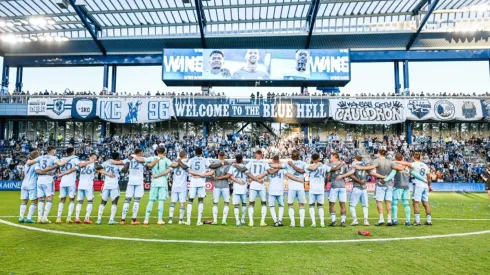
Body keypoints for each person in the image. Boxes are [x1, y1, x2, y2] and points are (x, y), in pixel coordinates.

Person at [356, 149, 404, 226]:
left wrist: (361, 168)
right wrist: (405, 164)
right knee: (388, 202)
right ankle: (389, 220)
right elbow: (400, 168)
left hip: (380, 183)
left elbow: (372, 167)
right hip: (389, 184)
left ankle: (381, 219)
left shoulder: (377, 160)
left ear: (379, 153)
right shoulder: (390, 161)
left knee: (379, 201)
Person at [120, 149, 158, 225]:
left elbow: (123, 167)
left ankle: (122, 220)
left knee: (127, 200)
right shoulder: (142, 159)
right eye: (142, 152)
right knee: (136, 200)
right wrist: (157, 159)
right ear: (140, 153)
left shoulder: (130, 159)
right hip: (139, 181)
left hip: (131, 181)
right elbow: (150, 165)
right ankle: (133, 220)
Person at [270, 150, 306, 227]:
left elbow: (276, 166)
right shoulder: (303, 163)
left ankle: (292, 223)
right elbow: (302, 171)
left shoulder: (288, 163)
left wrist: (269, 164)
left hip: (292, 187)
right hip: (300, 186)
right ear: (299, 156)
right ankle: (301, 223)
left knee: (290, 205)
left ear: (291, 156)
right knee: (301, 205)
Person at [307, 153, 344, 227]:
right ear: (318, 159)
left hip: (313, 188)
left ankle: (313, 222)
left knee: (311, 205)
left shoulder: (309, 166)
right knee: (320, 206)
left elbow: (308, 173)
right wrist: (342, 163)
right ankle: (322, 222)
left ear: (312, 159)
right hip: (321, 188)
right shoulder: (324, 166)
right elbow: (335, 169)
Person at [396, 152, 432, 226]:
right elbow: (429, 176)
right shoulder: (425, 165)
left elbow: (406, 163)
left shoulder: (414, 164)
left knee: (415, 203)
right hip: (425, 185)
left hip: (418, 185)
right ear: (420, 157)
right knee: (425, 203)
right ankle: (429, 221)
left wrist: (395, 161)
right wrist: (429, 185)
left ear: (413, 157)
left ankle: (418, 221)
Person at [19, 150, 53, 224]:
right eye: (39, 154)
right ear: (36, 156)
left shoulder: (26, 164)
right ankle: (29, 218)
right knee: (34, 201)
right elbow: (38, 171)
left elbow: (22, 175)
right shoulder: (36, 163)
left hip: (24, 184)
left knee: (24, 200)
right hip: (32, 184)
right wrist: (47, 172)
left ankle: (21, 217)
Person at [35, 146, 66, 224]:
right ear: (52, 151)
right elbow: (60, 164)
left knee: (41, 199)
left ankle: (39, 218)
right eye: (54, 151)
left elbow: (37, 171)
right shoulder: (53, 158)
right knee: (50, 198)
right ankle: (44, 217)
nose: (55, 153)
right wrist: (64, 160)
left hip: (39, 180)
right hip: (48, 179)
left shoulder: (40, 157)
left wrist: (45, 172)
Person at [142, 147, 172, 225]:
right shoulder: (166, 159)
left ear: (157, 151)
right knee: (161, 200)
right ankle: (159, 219)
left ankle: (146, 219)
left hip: (154, 181)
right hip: (162, 181)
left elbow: (144, 162)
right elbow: (170, 168)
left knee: (151, 200)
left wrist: (149, 165)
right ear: (164, 152)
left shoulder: (152, 158)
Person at [186, 147, 213, 226]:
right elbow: (211, 168)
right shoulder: (205, 160)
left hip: (193, 182)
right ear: (202, 152)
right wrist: (202, 174)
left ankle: (188, 221)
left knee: (190, 200)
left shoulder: (191, 160)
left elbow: (187, 169)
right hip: (201, 182)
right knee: (200, 201)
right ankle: (198, 221)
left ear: (194, 152)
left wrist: (195, 174)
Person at [95, 152, 123, 225]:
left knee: (103, 201)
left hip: (106, 185)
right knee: (114, 202)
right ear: (117, 157)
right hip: (114, 185)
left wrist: (102, 174)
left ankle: (99, 219)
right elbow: (124, 171)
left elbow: (98, 168)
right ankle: (111, 220)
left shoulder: (106, 162)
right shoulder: (118, 164)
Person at [56, 148, 80, 224]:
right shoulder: (75, 159)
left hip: (63, 182)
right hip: (71, 181)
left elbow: (59, 169)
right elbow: (77, 167)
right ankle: (68, 218)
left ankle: (58, 218)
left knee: (62, 200)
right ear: (73, 152)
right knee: (72, 199)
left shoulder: (62, 159)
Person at [208, 151, 232, 225]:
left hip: (217, 186)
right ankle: (224, 220)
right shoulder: (227, 164)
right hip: (225, 185)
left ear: (218, 156)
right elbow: (228, 175)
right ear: (224, 156)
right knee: (226, 203)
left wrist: (214, 178)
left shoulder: (215, 164)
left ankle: (215, 220)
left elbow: (211, 173)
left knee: (215, 203)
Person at [245, 150, 268, 227]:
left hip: (254, 184)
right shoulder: (264, 162)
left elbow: (246, 171)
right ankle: (258, 221)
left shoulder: (252, 161)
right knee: (261, 202)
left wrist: (253, 178)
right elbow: (266, 172)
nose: (257, 156)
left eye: (257, 154)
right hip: (260, 184)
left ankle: (255, 221)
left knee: (255, 203)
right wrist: (258, 179)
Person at [167, 151, 190, 225]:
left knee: (173, 202)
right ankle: (180, 220)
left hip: (175, 186)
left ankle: (170, 219)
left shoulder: (175, 163)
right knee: (182, 203)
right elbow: (185, 167)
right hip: (182, 186)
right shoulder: (186, 163)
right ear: (185, 156)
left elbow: (170, 168)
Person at [226, 154, 249, 226]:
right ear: (242, 159)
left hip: (236, 187)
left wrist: (237, 181)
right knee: (244, 204)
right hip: (244, 187)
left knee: (236, 205)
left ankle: (237, 221)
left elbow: (230, 175)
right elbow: (248, 175)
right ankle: (242, 219)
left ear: (236, 159)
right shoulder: (245, 166)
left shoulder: (232, 166)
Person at [75, 153, 97, 224]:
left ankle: (77, 218)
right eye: (95, 158)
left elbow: (80, 166)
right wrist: (92, 162)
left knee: (80, 201)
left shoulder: (82, 162)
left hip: (81, 184)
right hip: (88, 185)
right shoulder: (94, 164)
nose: (96, 159)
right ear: (92, 157)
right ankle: (86, 218)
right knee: (90, 201)